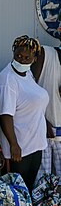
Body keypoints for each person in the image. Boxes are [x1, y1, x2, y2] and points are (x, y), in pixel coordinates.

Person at [0, 35, 48, 190]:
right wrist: (14, 145)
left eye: (26, 57)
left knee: (29, 190)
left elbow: (32, 102)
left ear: (34, 59)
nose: (21, 60)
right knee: (17, 192)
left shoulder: (28, 74)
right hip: (19, 149)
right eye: (18, 56)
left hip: (34, 145)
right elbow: (5, 115)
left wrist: (46, 122)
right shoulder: (7, 80)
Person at [31, 42, 61, 180]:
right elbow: (26, 91)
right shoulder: (45, 54)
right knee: (42, 186)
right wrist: (41, 119)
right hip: (44, 134)